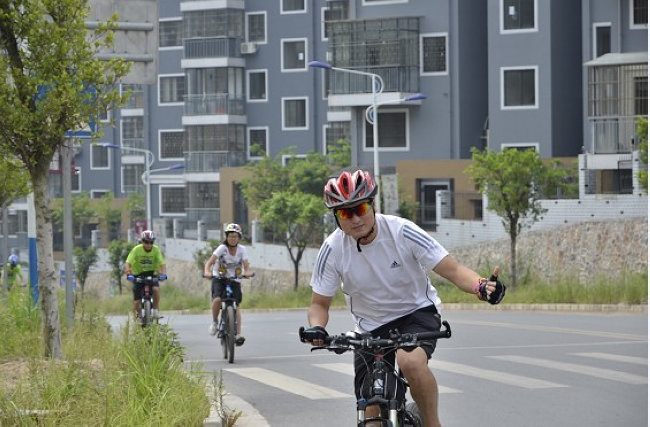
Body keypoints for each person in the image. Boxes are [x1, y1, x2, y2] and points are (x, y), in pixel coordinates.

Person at [301, 169, 506, 427]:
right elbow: (319, 303)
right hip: (370, 327)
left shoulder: (402, 231)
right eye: (345, 212)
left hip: (416, 313)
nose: (355, 219)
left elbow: (451, 270)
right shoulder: (332, 249)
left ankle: (432, 423)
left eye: (360, 208)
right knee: (371, 412)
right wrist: (317, 327)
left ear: (373, 205)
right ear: (336, 217)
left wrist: (480, 286)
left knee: (409, 360)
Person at [203, 223, 253, 346]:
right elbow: (209, 263)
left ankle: (238, 334)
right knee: (217, 300)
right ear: (226, 237)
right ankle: (215, 322)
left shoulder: (242, 250)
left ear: (239, 237)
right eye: (230, 236)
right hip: (219, 278)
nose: (232, 238)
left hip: (234, 279)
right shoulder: (221, 249)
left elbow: (246, 267)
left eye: (235, 236)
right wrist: (207, 272)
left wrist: (247, 273)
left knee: (236, 305)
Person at [125, 230, 167, 318]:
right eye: (146, 242)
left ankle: (155, 311)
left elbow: (162, 263)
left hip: (152, 274)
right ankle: (137, 319)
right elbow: (128, 262)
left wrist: (163, 274)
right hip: (138, 275)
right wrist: (129, 273)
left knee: (156, 289)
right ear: (142, 241)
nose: (148, 244)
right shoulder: (136, 249)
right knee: (136, 303)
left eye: (151, 242)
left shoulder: (156, 250)